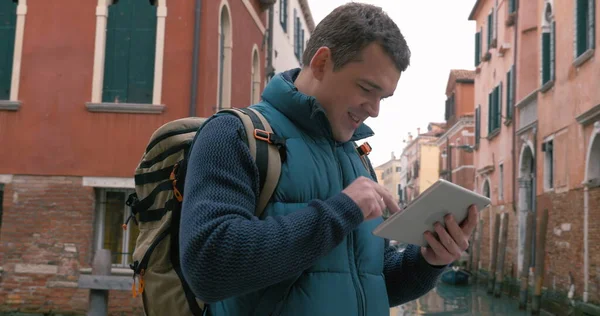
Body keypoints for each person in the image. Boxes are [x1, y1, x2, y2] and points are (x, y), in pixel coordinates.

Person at [179, 2, 478, 315]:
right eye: (367, 88)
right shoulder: (232, 134)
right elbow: (207, 267)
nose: (374, 110)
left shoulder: (357, 158)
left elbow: (371, 280)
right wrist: (343, 209)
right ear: (321, 63)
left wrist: (428, 260)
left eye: (383, 98)